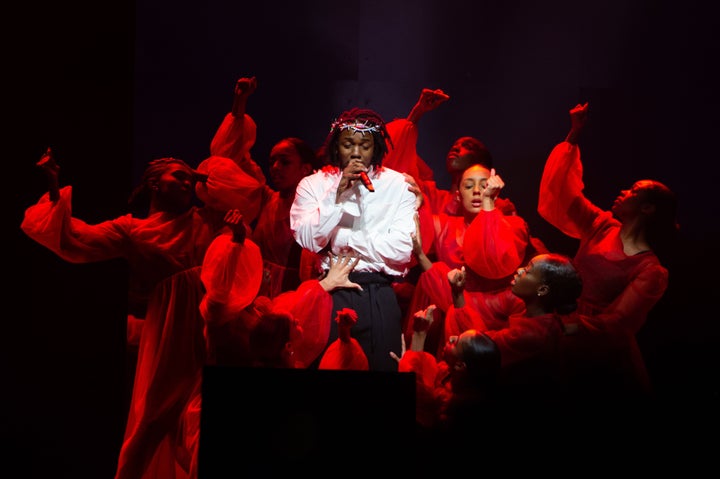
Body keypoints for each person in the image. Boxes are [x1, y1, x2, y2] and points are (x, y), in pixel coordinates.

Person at [21, 149, 262, 479]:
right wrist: (52, 184)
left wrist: (205, 179)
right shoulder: (132, 229)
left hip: (215, 321)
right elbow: (74, 238)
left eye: (189, 177)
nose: (186, 182)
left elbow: (250, 193)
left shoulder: (205, 219)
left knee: (202, 416)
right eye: (177, 175)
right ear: (153, 183)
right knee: (153, 418)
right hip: (171, 325)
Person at [537, 101, 680, 396]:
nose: (623, 192)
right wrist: (574, 134)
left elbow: (619, 323)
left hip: (593, 348)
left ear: (647, 208)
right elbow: (564, 192)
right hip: (561, 323)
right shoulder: (601, 225)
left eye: (633, 191)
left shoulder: (650, 270)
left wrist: (571, 327)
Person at [290, 107, 418, 372]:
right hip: (331, 287)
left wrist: (340, 239)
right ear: (337, 145)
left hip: (378, 291)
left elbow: (402, 250)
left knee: (381, 375)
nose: (357, 153)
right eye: (348, 144)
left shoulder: (398, 185)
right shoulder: (313, 185)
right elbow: (309, 240)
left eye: (365, 145)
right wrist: (336, 199)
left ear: (377, 147)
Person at [205, 76, 326, 298]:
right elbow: (233, 159)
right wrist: (239, 103)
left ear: (305, 168)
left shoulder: (321, 206)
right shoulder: (265, 198)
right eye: (272, 162)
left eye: (285, 161)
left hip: (296, 296)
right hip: (258, 293)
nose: (276, 168)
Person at [404, 163, 530, 357]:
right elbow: (413, 229)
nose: (478, 191)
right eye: (469, 186)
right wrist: (414, 199)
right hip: (456, 317)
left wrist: (489, 204)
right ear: (458, 194)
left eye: (484, 185)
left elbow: (492, 260)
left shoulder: (514, 226)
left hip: (500, 317)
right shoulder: (444, 225)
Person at [444, 253, 583, 404]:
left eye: (528, 271)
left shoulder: (531, 335)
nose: (519, 270)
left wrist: (458, 295)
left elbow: (476, 349)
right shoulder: (535, 317)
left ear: (542, 290)